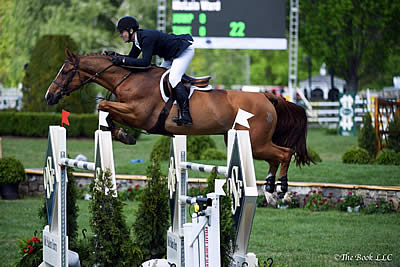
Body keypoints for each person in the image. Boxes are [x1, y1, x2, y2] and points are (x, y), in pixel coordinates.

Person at [109, 16, 194, 126]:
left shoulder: (146, 38)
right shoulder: (137, 41)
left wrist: (123, 60)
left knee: (173, 78)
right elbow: (131, 58)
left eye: (122, 32)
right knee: (159, 80)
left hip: (183, 52)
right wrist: (116, 56)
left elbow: (145, 62)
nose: (120, 35)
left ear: (131, 30)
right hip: (170, 56)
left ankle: (186, 115)